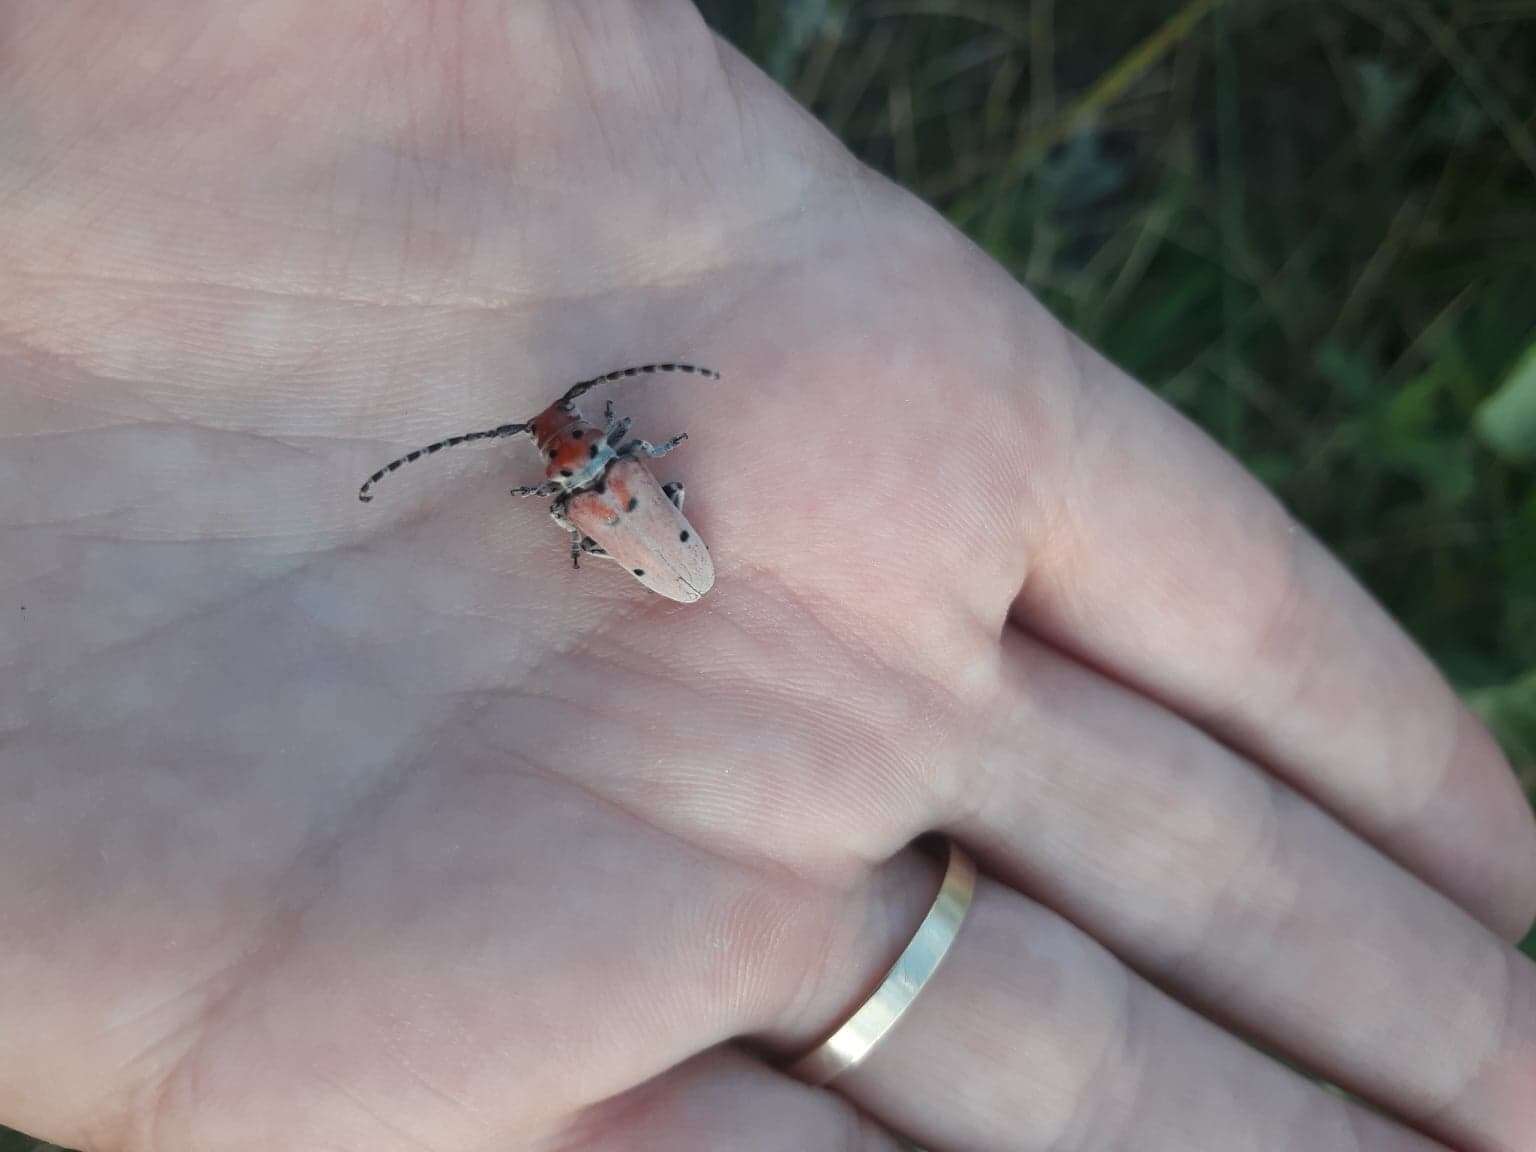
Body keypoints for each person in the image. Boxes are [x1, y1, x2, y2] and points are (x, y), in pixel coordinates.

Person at [1, 4, 1532, 1150]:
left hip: (666, 551)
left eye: (575, 446)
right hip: (654, 546)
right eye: (574, 454)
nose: (576, 451)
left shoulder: (585, 474)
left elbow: (612, 497)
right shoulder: (593, 473)